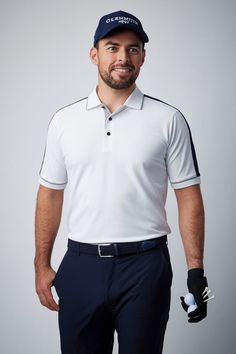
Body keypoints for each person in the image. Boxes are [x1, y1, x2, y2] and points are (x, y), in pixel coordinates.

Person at [34, 10, 209, 354]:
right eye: (112, 47)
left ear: (143, 56)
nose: (122, 58)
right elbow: (50, 195)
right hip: (81, 265)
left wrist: (195, 272)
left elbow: (188, 196)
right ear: (94, 54)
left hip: (146, 267)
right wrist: (41, 264)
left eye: (132, 48)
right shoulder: (63, 122)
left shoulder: (168, 120)